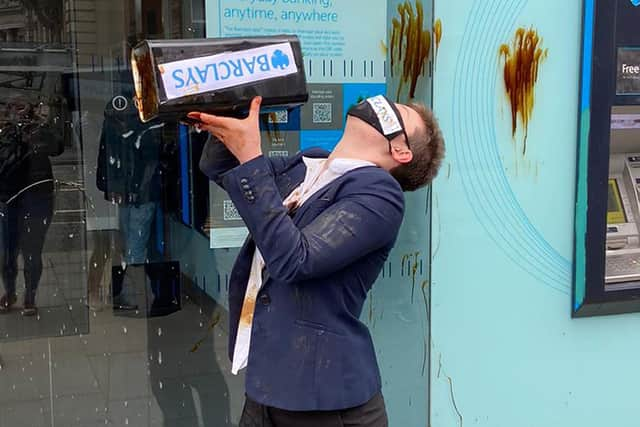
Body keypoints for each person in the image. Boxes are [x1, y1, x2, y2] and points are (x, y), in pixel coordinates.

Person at [192, 94, 444, 427]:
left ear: (401, 151)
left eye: (399, 114)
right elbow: (222, 167)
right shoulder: (309, 164)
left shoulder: (380, 195)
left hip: (326, 403)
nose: (383, 106)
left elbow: (295, 259)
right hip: (269, 386)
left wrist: (251, 153)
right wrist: (230, 111)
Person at [0, 95, 64, 316]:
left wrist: (40, 126)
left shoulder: (38, 131)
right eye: (9, 107)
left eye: (19, 107)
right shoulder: (5, 132)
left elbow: (57, 147)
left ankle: (30, 296)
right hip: (9, 197)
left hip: (37, 197)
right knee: (7, 253)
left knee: (32, 252)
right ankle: (10, 292)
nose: (14, 112)